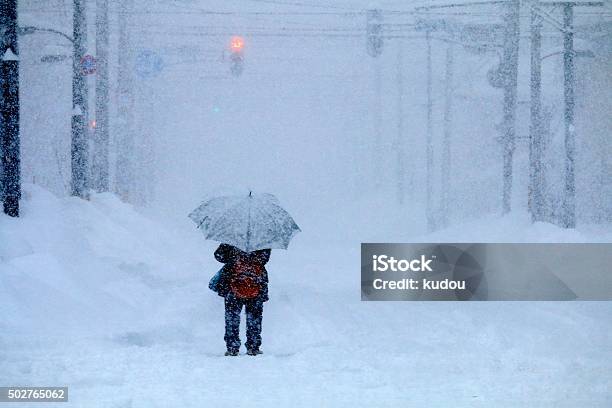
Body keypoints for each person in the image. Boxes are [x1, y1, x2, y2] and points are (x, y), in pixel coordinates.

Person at [213, 243, 271, 356]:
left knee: (232, 318)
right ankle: (253, 347)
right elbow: (264, 259)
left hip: (233, 284)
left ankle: (232, 347)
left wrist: (233, 256)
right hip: (256, 284)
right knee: (254, 318)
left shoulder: (232, 238)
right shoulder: (263, 240)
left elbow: (218, 256)